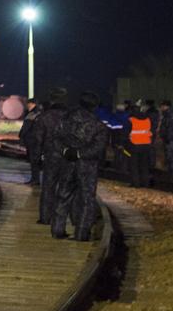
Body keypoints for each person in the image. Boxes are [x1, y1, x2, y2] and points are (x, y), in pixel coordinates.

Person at [53, 91, 110, 241]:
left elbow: (56, 137)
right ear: (94, 106)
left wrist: (66, 151)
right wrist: (80, 153)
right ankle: (82, 233)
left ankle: (57, 229)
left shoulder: (66, 120)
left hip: (67, 163)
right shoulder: (98, 125)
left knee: (63, 196)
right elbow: (98, 147)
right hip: (87, 166)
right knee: (87, 199)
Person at [33, 87, 70, 225]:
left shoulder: (44, 116)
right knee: (66, 188)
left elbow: (38, 139)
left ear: (52, 99)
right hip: (68, 157)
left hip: (50, 157)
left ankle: (45, 218)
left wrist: (36, 157)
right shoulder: (71, 116)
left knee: (48, 187)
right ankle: (62, 220)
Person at [127, 102, 153, 187]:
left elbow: (126, 132)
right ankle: (145, 183)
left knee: (134, 165)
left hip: (135, 145)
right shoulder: (148, 120)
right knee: (144, 165)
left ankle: (135, 183)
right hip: (146, 145)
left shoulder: (131, 120)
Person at [19, 97, 43, 185]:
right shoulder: (32, 113)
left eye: (29, 104)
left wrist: (22, 136)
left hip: (34, 141)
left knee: (34, 161)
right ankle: (34, 179)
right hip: (32, 140)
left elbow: (28, 128)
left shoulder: (35, 114)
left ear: (33, 104)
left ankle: (35, 180)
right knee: (33, 161)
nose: (27, 105)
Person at [157, 100, 173, 177]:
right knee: (170, 157)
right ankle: (172, 173)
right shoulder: (168, 115)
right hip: (170, 139)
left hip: (170, 140)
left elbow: (171, 129)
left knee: (171, 157)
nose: (161, 108)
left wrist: (167, 138)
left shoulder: (169, 115)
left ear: (166, 106)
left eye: (162, 106)